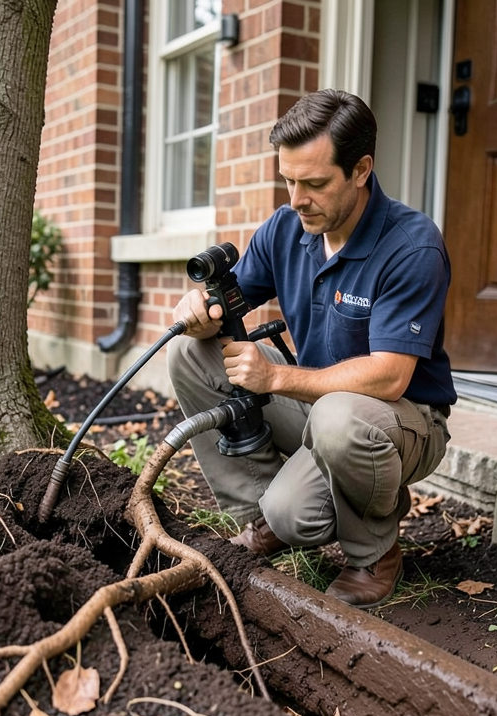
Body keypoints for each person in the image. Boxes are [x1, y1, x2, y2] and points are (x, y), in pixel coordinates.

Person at [167, 89, 456, 609]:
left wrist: (275, 378)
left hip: (404, 417)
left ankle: (375, 550)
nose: (297, 199)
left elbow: (390, 377)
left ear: (361, 169)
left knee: (337, 427)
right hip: (322, 406)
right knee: (189, 355)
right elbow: (228, 304)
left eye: (315, 183)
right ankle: (267, 514)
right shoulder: (286, 228)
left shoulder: (412, 246)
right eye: (289, 181)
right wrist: (199, 315)